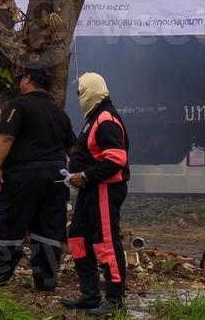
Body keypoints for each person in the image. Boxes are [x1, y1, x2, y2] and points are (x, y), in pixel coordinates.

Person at [0, 69, 74, 290]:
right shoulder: (59, 113)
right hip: (56, 178)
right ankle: (47, 282)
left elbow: (7, 136)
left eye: (21, 78)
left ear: (28, 80)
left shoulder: (18, 105)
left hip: (23, 176)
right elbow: (72, 147)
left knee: (11, 225)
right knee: (49, 229)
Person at [63, 72, 130, 315]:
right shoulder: (94, 118)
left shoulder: (106, 119)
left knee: (106, 242)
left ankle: (115, 300)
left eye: (81, 92)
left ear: (90, 92)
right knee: (78, 238)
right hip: (90, 191)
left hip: (104, 188)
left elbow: (117, 160)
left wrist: (87, 176)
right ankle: (89, 295)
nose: (79, 97)